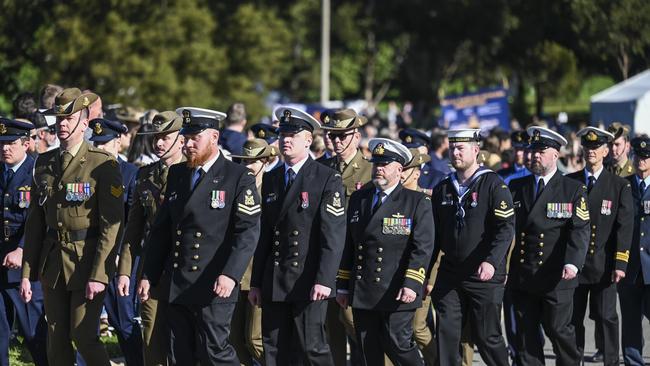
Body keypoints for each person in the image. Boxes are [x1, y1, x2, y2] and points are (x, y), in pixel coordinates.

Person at [139, 107, 261, 365]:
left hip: (214, 282)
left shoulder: (237, 177)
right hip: (179, 279)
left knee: (215, 352)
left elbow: (247, 231)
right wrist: (149, 274)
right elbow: (162, 230)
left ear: (214, 137)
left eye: (196, 138)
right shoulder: (178, 174)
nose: (188, 144)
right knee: (180, 353)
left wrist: (231, 273)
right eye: (186, 138)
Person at [21, 88, 124, 366]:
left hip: (86, 262)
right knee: (56, 338)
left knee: (84, 335)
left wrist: (100, 274)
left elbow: (111, 225)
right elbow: (35, 222)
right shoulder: (43, 163)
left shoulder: (102, 164)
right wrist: (27, 272)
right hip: (53, 263)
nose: (62, 124)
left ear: (85, 122)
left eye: (69, 118)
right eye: (59, 118)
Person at [249, 106, 346, 366]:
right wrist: (257, 281)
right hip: (275, 278)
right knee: (275, 349)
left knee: (312, 348)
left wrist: (325, 279)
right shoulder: (272, 179)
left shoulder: (326, 178)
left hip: (308, 279)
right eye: (282, 134)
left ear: (308, 139)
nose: (286, 139)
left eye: (293, 134)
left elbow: (332, 236)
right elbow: (265, 236)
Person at [336, 138, 434, 366]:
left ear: (400, 170)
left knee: (398, 343)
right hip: (364, 288)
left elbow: (423, 247)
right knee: (368, 348)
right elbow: (350, 244)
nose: (378, 169)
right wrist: (342, 284)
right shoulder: (360, 198)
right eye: (376, 163)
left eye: (385, 164)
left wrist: (412, 282)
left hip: (396, 288)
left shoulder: (416, 201)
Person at [430, 129, 514, 366]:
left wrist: (491, 261)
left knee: (487, 336)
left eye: (461, 148)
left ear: (476, 150)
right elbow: (435, 236)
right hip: (451, 274)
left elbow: (505, 228)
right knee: (446, 335)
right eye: (452, 148)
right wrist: (424, 274)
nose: (455, 153)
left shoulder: (494, 185)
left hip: (483, 274)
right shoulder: (443, 188)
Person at [507, 126, 590, 366]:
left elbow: (580, 229)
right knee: (527, 337)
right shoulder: (516, 187)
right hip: (523, 273)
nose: (534, 155)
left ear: (556, 154)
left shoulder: (571, 189)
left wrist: (573, 262)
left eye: (541, 151)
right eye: (531, 150)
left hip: (556, 274)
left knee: (558, 330)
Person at [117, 111, 185, 366]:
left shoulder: (194, 174)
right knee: (151, 336)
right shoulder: (145, 175)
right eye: (156, 137)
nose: (159, 143)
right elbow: (133, 228)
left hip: (184, 267)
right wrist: (125, 271)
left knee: (181, 341)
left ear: (181, 139)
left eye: (166, 137)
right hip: (151, 271)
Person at [566, 127, 633, 366]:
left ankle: (611, 361)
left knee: (607, 318)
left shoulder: (618, 185)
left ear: (606, 151)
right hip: (574, 265)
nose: (591, 151)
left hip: (603, 265)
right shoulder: (569, 182)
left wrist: (620, 263)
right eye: (587, 147)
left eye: (596, 148)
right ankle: (574, 361)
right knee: (572, 320)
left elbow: (624, 228)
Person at [319, 108, 373, 366]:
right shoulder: (321, 168)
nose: (337, 142)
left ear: (357, 136)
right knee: (331, 331)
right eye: (332, 136)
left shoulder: (371, 171)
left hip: (356, 262)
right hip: (325, 261)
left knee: (358, 327)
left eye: (342, 136)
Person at [88, 118, 142, 366]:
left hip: (119, 257)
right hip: (90, 253)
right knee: (93, 318)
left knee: (123, 317)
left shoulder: (131, 173)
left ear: (119, 141)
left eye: (106, 143)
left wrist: (120, 254)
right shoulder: (87, 170)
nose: (101, 148)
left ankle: (137, 360)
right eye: (97, 143)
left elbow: (133, 221)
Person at [0, 118, 48, 366]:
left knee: (34, 334)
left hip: (26, 268)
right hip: (1, 266)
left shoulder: (39, 174)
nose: (5, 148)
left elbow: (39, 219)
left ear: (26, 144)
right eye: (1, 144)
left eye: (11, 143)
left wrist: (21, 249)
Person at [229, 138, 276, 366]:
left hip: (258, 274)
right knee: (235, 338)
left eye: (254, 161)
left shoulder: (271, 190)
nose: (248, 165)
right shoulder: (236, 186)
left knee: (255, 338)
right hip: (236, 273)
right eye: (245, 161)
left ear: (266, 162)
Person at [400, 148, 438, 365]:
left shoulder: (427, 200)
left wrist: (431, 278)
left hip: (421, 275)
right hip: (395, 275)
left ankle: (437, 360)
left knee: (417, 328)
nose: (401, 173)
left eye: (406, 169)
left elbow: (435, 246)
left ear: (416, 173)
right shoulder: (394, 198)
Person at [619, 136, 650, 366]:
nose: (642, 160)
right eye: (638, 156)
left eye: (646, 156)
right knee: (630, 321)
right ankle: (633, 362)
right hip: (629, 265)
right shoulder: (624, 186)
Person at [400, 128, 445, 193]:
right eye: (406, 150)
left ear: (425, 150)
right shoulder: (397, 172)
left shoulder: (437, 177)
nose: (410, 153)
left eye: (415, 150)